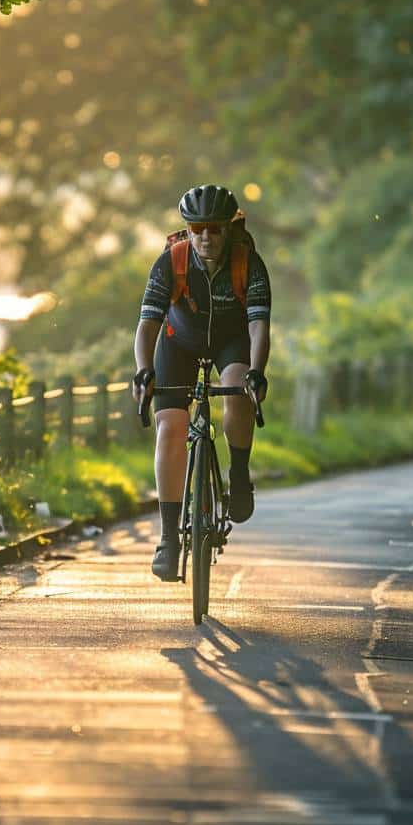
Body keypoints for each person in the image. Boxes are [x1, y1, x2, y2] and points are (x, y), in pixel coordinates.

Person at [131, 184, 271, 581]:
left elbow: (259, 326)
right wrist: (144, 370)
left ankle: (239, 475)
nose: (205, 237)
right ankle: (168, 539)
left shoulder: (249, 263)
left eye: (214, 228)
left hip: (232, 342)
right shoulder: (170, 262)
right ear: (187, 230)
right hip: (179, 344)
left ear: (229, 229)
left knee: (237, 390)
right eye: (197, 229)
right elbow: (147, 326)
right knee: (170, 428)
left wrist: (256, 372)